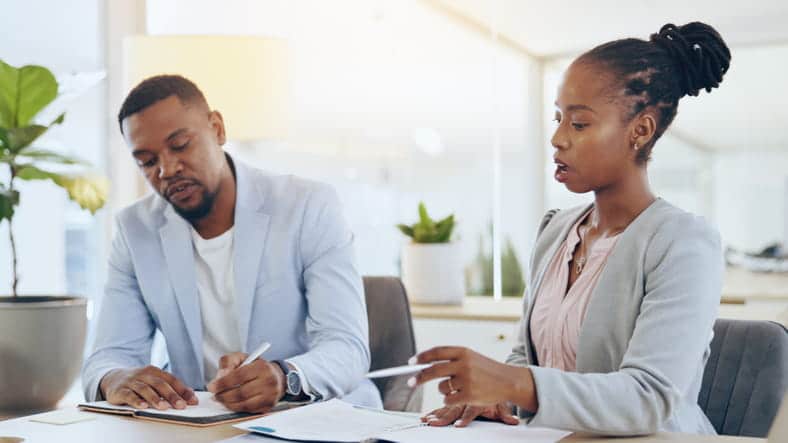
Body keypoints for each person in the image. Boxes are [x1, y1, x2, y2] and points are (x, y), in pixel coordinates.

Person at [411, 22, 730, 435]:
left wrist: (511, 382)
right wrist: (496, 396)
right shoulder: (556, 231)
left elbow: (648, 397)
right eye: (559, 119)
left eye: (579, 124)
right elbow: (526, 358)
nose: (558, 139)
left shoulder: (683, 243)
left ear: (641, 130)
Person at [81, 75, 382, 413]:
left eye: (180, 145)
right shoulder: (135, 230)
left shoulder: (308, 206)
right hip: (198, 425)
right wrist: (114, 378)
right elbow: (107, 355)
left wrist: (284, 377)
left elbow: (347, 347)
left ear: (217, 128)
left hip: (310, 416)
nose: (167, 169)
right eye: (148, 161)